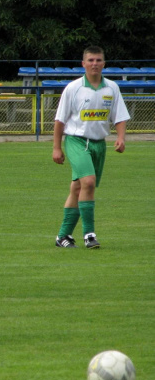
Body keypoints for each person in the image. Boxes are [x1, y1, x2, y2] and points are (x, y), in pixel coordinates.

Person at [53, 46, 130, 249]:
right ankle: (89, 234)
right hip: (76, 141)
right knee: (88, 182)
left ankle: (63, 237)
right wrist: (57, 148)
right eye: (90, 60)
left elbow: (119, 116)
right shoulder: (73, 88)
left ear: (104, 63)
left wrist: (121, 138)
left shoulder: (112, 88)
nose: (94, 64)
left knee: (79, 187)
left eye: (98, 60)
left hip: (98, 144)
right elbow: (60, 121)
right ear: (83, 64)